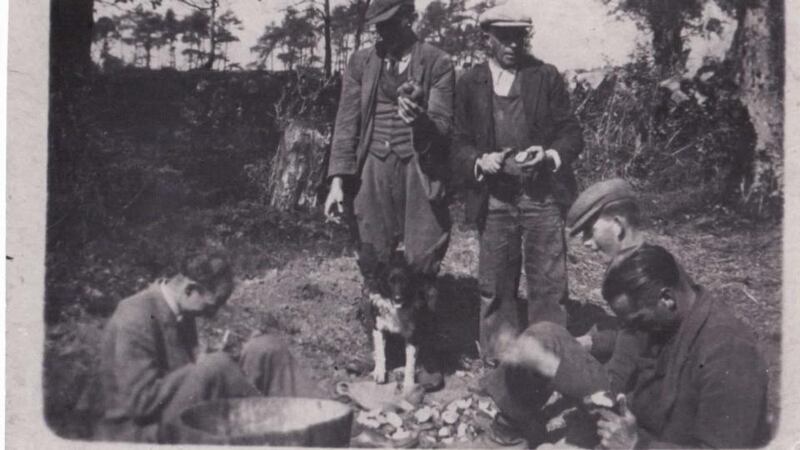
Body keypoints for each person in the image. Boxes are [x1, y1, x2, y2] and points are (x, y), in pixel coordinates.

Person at [494, 245, 769, 448]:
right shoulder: (665, 320)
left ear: (667, 299)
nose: (633, 331)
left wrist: (637, 443)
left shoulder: (729, 353)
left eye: (637, 321)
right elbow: (627, 356)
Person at [323, 0, 454, 384]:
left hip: (419, 167)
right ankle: (379, 347)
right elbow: (346, 123)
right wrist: (336, 181)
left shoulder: (437, 61)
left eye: (389, 24)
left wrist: (423, 121)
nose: (380, 33)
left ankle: (424, 355)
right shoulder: (362, 62)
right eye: (376, 26)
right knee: (372, 256)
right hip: (373, 167)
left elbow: (445, 126)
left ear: (408, 19)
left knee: (423, 258)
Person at [451, 3, 583, 362]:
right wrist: (479, 161)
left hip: (541, 195)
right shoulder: (470, 82)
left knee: (548, 285)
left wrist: (550, 154)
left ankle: (550, 359)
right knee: (495, 287)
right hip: (495, 198)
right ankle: (500, 362)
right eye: (504, 37)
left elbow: (571, 132)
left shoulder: (545, 76)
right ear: (487, 39)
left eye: (519, 37)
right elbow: (457, 140)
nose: (513, 44)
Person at [96, 250, 306, 443]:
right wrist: (205, 370)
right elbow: (139, 403)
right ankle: (280, 433)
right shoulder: (135, 315)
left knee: (265, 349)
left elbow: (183, 374)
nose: (212, 314)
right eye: (212, 304)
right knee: (217, 366)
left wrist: (213, 363)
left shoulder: (180, 311)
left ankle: (317, 428)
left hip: (176, 410)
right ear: (190, 290)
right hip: (138, 431)